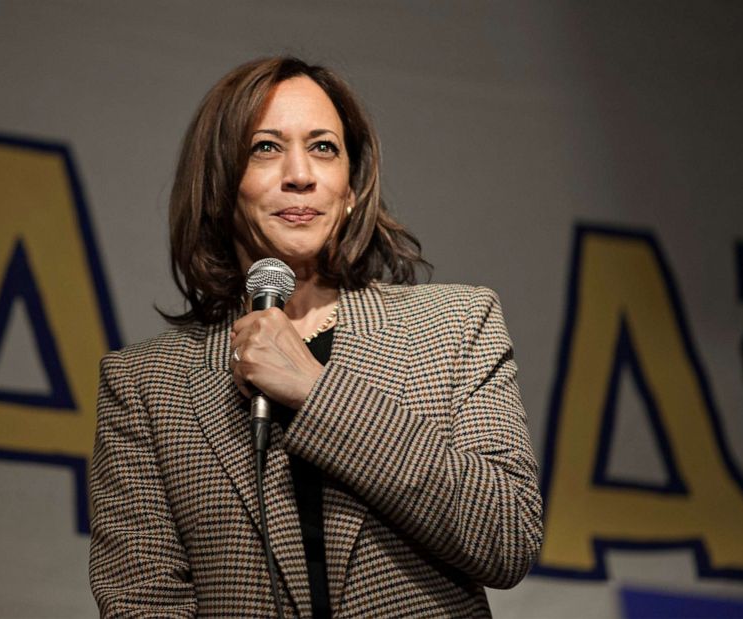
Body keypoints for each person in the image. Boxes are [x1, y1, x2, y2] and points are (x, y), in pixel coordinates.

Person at [89, 56, 542, 618]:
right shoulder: (147, 385)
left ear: (350, 188)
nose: (299, 173)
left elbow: (507, 538)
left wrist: (314, 390)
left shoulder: (454, 325)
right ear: (222, 185)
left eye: (324, 147)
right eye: (266, 148)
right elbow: (142, 604)